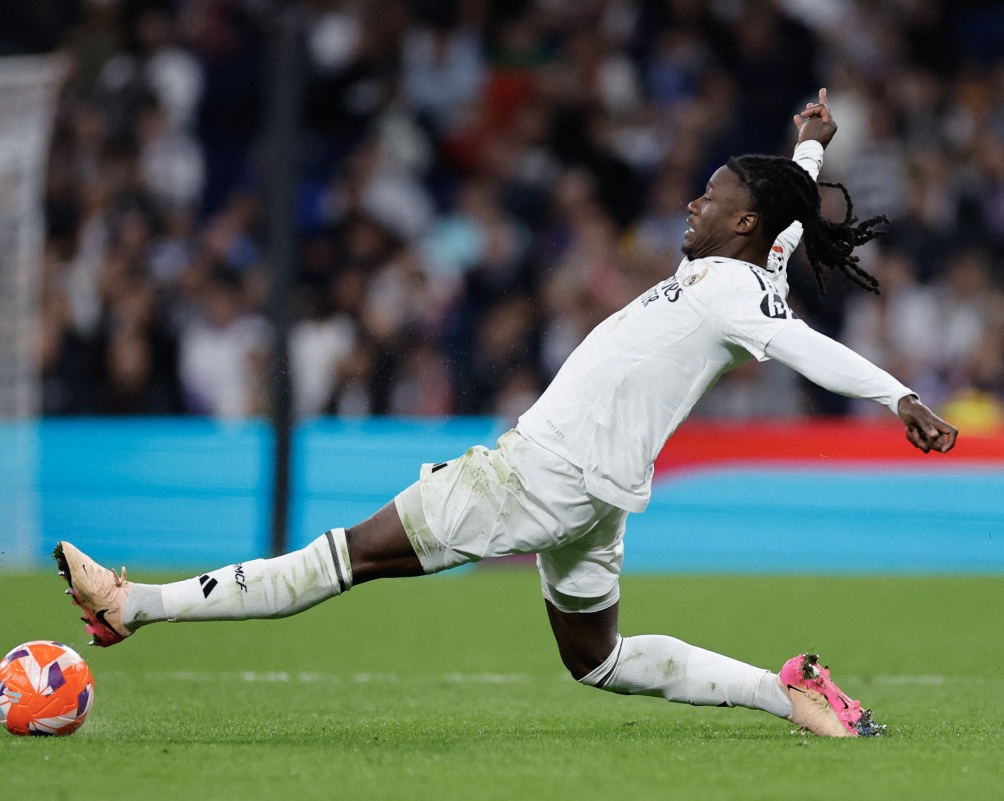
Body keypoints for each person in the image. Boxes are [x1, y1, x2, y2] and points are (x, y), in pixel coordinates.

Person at [54, 90, 958, 739]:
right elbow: (790, 225)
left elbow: (804, 343)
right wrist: (810, 146)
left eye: (710, 195)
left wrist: (899, 396)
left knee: (342, 556)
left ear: (739, 220)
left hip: (540, 472)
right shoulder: (746, 268)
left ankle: (133, 605)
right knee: (594, 659)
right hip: (591, 490)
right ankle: (786, 690)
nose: (694, 201)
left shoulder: (731, 290)